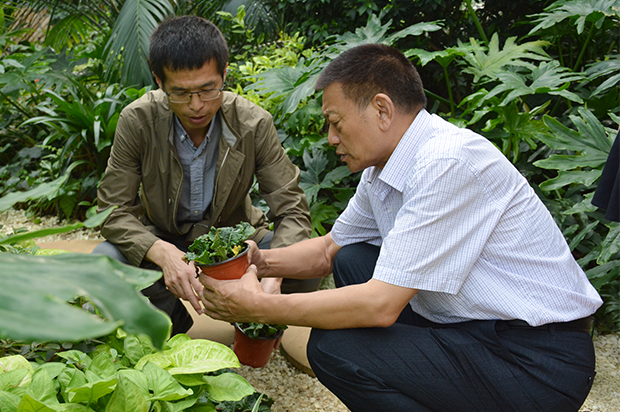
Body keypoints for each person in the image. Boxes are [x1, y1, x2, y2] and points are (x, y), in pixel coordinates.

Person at [200, 43, 603, 412]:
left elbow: (380, 305)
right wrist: (258, 260)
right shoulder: (384, 169)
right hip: (476, 333)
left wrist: (261, 307)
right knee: (354, 259)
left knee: (334, 348)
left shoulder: (446, 162)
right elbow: (327, 251)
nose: (331, 138)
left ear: (381, 109)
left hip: (537, 363)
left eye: (336, 123)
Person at [95, 15, 315, 336]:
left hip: (234, 243)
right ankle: (169, 324)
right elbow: (112, 210)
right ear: (159, 81)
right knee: (105, 263)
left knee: (303, 267)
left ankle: (253, 322)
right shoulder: (137, 120)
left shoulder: (254, 123)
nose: (196, 105)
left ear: (224, 73)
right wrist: (161, 252)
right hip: (164, 236)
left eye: (208, 89)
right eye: (180, 93)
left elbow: (292, 210)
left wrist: (272, 280)